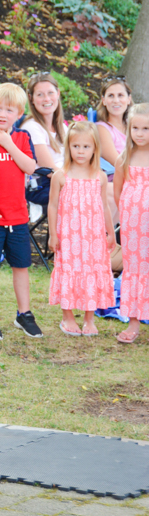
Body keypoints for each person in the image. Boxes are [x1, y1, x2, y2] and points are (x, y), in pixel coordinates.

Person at [0, 83, 42, 340]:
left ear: (19, 113)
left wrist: (8, 143)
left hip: (18, 216)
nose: (3, 114)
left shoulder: (22, 138)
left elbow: (30, 167)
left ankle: (24, 314)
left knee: (21, 266)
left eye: (9, 110)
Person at [48, 122, 115, 336]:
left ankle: (89, 318)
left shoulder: (100, 176)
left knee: (91, 271)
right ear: (68, 147)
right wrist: (53, 234)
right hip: (69, 236)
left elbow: (104, 206)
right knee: (68, 270)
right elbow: (52, 206)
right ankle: (67, 317)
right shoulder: (61, 175)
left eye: (86, 147)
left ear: (95, 148)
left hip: (93, 236)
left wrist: (110, 232)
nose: (81, 151)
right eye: (76, 146)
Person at [113, 103, 149, 344]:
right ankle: (134, 322)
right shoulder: (124, 158)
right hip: (133, 226)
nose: (140, 133)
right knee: (134, 268)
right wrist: (131, 212)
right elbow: (118, 191)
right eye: (135, 128)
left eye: (146, 128)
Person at [21, 72, 65, 207]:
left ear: (58, 93)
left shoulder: (62, 128)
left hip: (62, 180)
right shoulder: (32, 128)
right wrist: (81, 183)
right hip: (42, 185)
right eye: (40, 95)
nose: (47, 99)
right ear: (31, 98)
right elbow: (50, 170)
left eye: (50, 93)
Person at [96, 76, 133, 224]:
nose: (116, 100)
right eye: (111, 96)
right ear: (104, 100)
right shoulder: (102, 128)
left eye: (120, 95)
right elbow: (117, 162)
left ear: (128, 99)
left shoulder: (135, 126)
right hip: (117, 176)